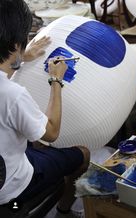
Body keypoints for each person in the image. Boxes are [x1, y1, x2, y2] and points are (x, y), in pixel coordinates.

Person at [0, 0, 90, 216]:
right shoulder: (12, 94)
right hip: (10, 190)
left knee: (32, 141)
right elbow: (51, 134)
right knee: (83, 153)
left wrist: (20, 57)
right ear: (16, 44)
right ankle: (64, 210)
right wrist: (56, 81)